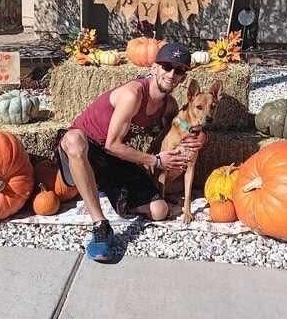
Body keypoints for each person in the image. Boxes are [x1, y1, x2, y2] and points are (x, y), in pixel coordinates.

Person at [57, 42, 207, 261]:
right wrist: (155, 161)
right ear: (155, 67)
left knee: (159, 211)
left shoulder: (169, 106)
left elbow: (179, 129)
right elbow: (112, 144)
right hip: (87, 150)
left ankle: (107, 192)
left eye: (179, 70)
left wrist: (200, 138)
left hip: (112, 159)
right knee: (74, 140)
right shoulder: (133, 94)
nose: (172, 74)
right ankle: (100, 225)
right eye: (166, 66)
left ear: (183, 77)